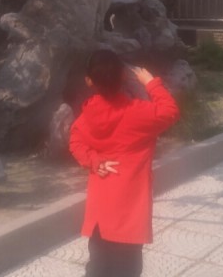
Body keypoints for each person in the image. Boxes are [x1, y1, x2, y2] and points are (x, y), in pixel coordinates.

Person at [69, 49, 180, 277]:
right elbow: (170, 111)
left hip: (101, 207)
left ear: (89, 81)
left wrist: (94, 160)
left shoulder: (88, 114)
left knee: (98, 264)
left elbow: (75, 141)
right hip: (130, 209)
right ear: (123, 76)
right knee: (127, 268)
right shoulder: (138, 113)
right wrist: (151, 83)